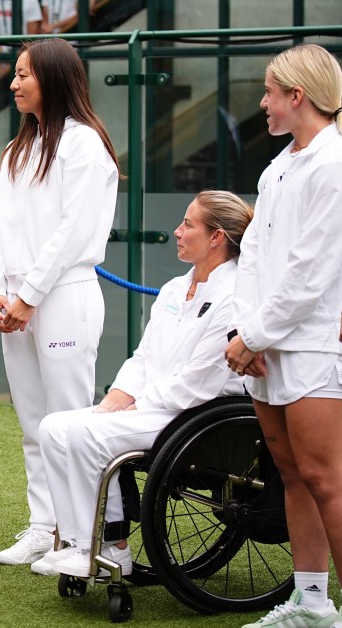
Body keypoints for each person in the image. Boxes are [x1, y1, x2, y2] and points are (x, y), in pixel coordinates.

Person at [225, 44, 342, 628]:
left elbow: (310, 272)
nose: (263, 103)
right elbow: (258, 259)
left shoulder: (340, 167)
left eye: (270, 92)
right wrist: (247, 333)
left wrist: (252, 336)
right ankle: (312, 602)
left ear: (297, 96)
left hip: (317, 346)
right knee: (292, 473)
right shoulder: (278, 167)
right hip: (271, 346)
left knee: (324, 475)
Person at [36, 191, 250, 578]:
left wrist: (138, 406)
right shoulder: (172, 290)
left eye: (188, 224)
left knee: (88, 434)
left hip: (197, 417)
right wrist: (116, 400)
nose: (178, 231)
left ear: (216, 237)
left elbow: (201, 380)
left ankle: (110, 549)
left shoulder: (234, 296)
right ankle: (76, 543)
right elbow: (144, 357)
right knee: (53, 428)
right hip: (158, 408)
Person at [0, 38, 119, 566]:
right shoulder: (19, 150)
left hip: (63, 295)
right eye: (14, 74)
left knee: (70, 419)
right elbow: (0, 226)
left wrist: (30, 296)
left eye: (23, 75)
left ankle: (88, 537)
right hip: (18, 298)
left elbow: (72, 231)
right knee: (33, 421)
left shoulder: (84, 145)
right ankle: (45, 527)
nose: (13, 83)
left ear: (54, 79)